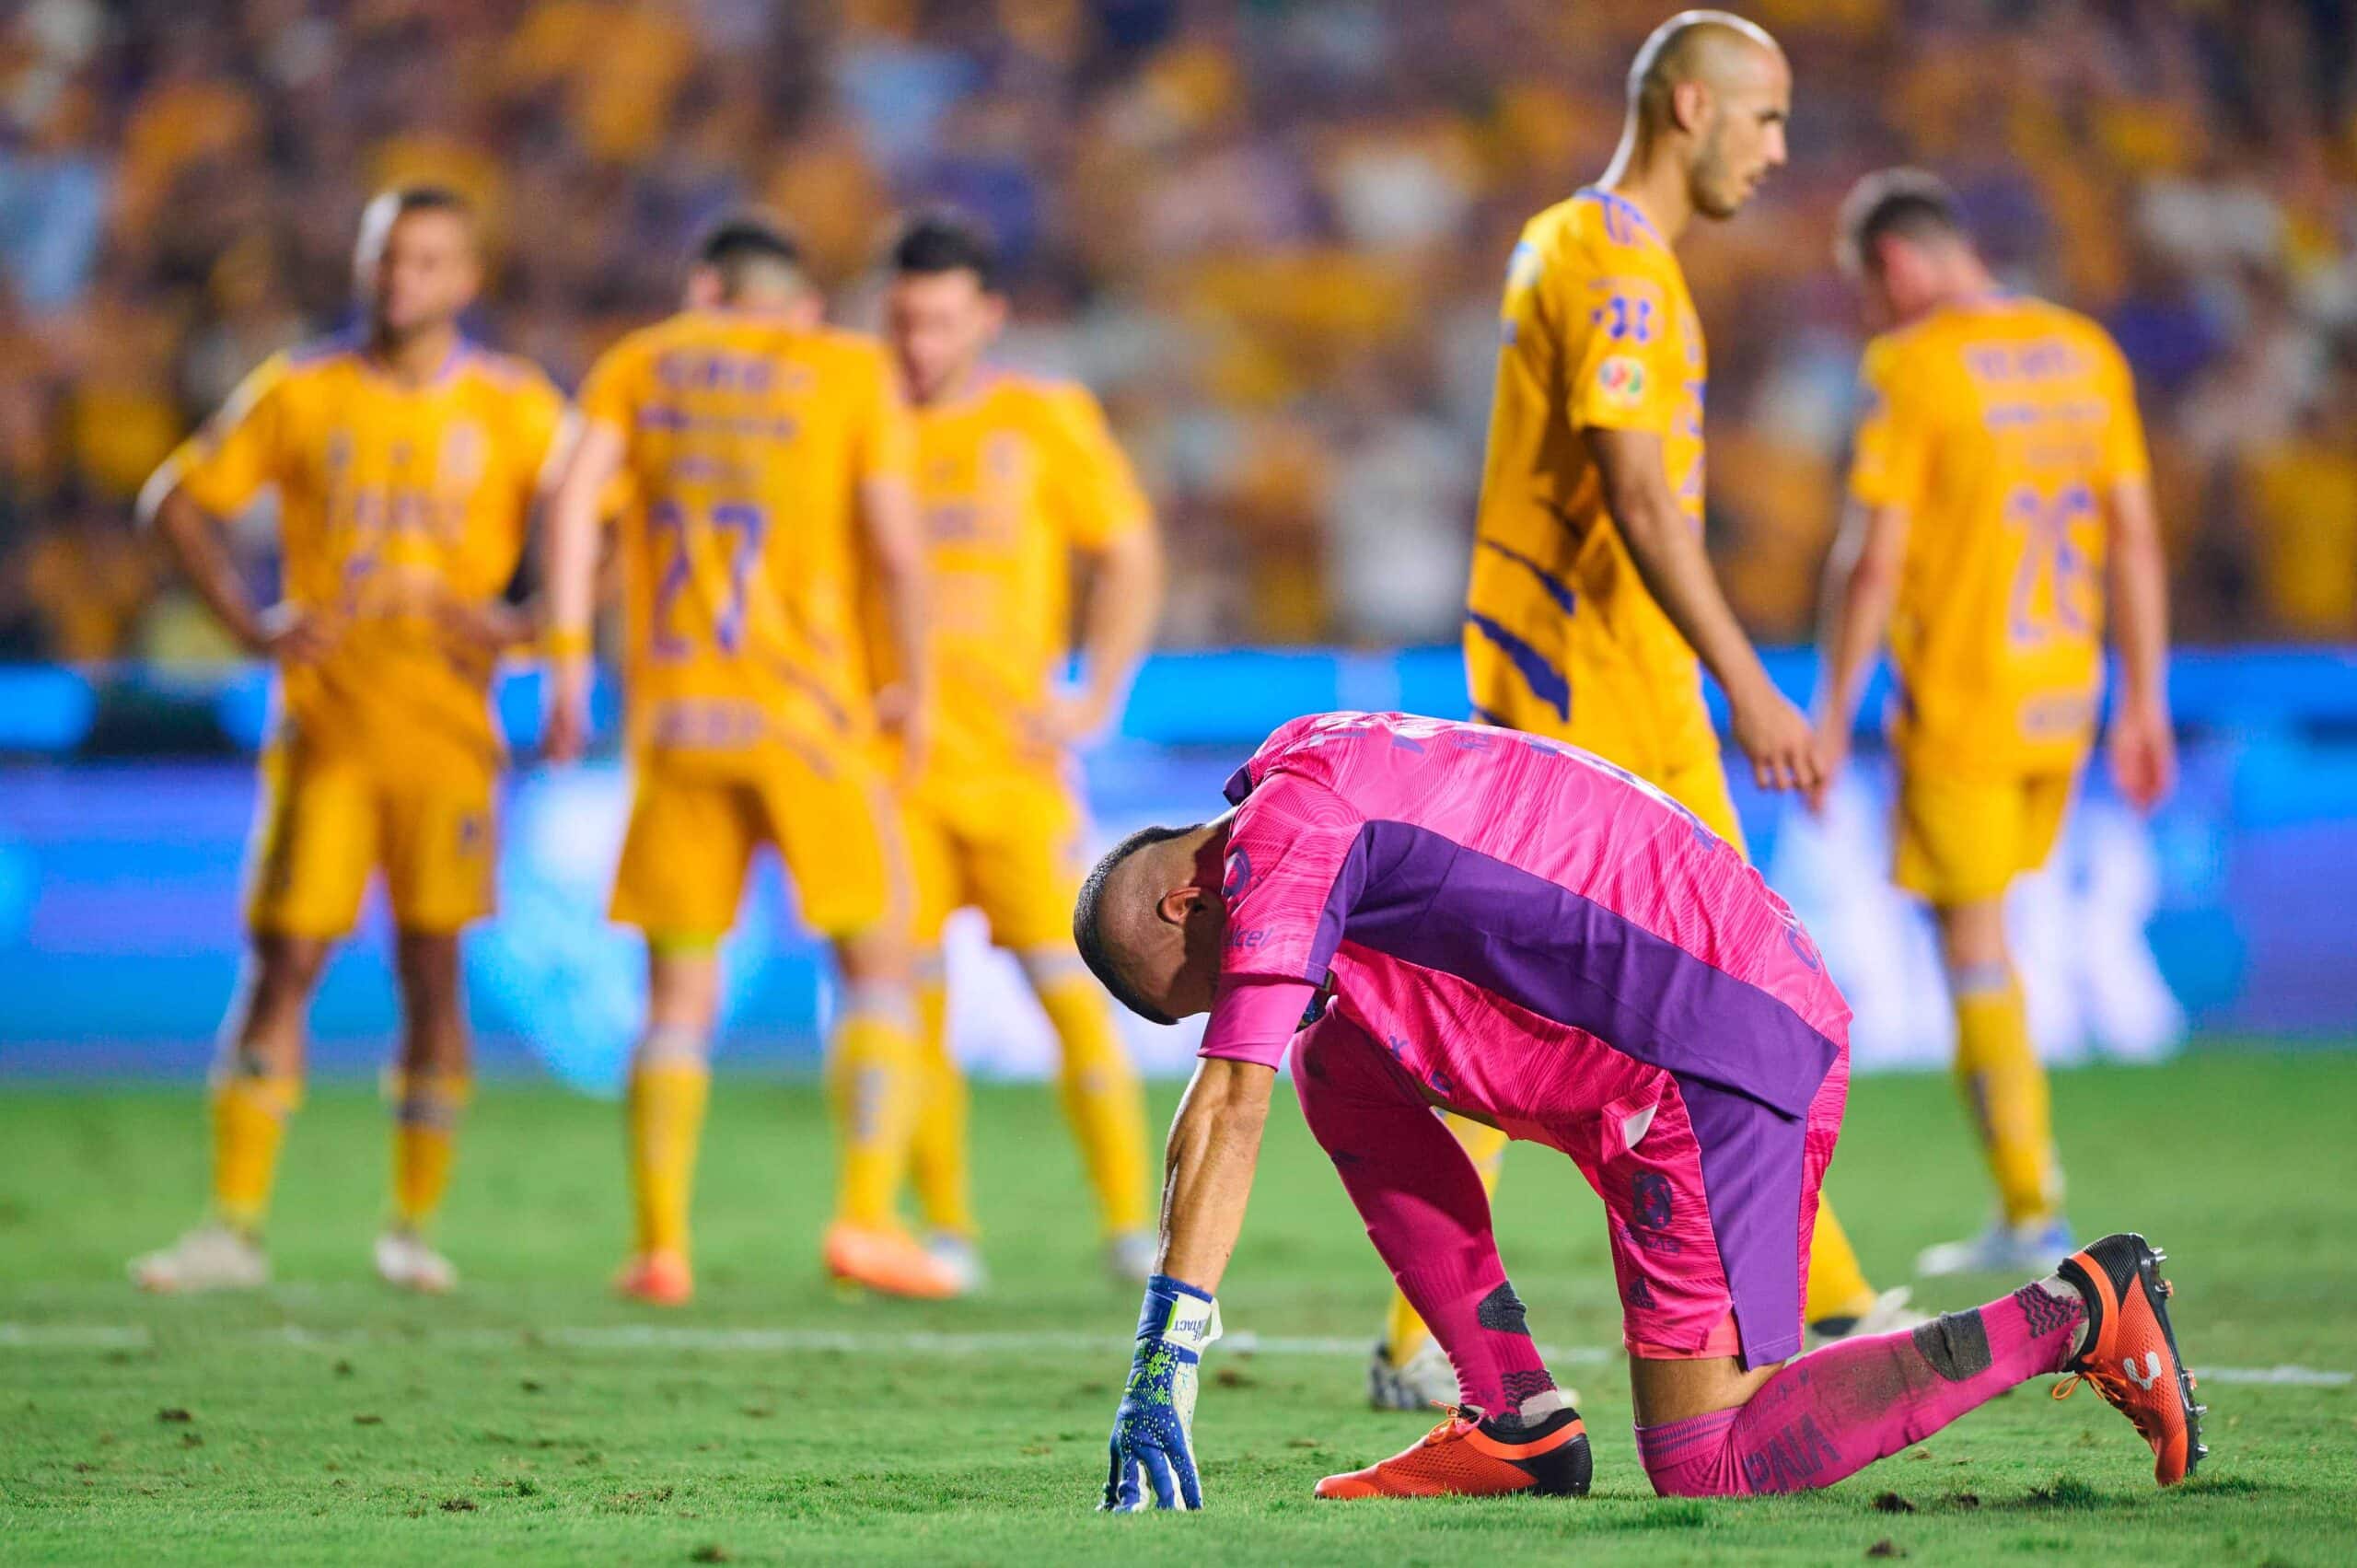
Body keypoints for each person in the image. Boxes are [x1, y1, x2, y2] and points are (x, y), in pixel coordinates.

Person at [1077, 711, 2203, 1509]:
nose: (1238, 1001)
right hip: (1654, 1019)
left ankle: (2078, 1307)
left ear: (1189, 898)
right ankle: (1515, 1416)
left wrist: (1160, 1360)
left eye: (1208, 985)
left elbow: (1230, 1096)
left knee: (1708, 1458)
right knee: (1332, 1053)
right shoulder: (1303, 776)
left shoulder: (1287, 838)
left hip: (1715, 1052)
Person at [1408, 6, 1898, 1406]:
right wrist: (1753, 680)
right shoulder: (1616, 266)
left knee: (1675, 981)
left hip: (1612, 665)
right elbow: (1631, 491)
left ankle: (1824, 1282)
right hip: (1595, 673)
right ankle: (1442, 1332)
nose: (1780, 149)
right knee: (1646, 985)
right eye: (1767, 117)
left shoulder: (1594, 249)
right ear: (1691, 108)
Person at [130, 186, 568, 1294]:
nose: (397, 280)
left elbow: (598, 519)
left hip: (447, 737)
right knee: (285, 963)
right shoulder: (302, 390)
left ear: (465, 280)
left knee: (434, 973)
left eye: (424, 261)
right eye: (384, 258)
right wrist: (251, 623)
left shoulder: (516, 406)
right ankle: (232, 1225)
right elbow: (173, 497)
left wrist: (532, 623)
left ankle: (410, 1229)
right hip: (325, 730)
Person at [541, 212, 955, 1302]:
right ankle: (866, 1215)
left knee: (677, 992)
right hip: (808, 724)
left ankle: (660, 1246)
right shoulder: (843, 369)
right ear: (802, 302)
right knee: (879, 963)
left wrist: (568, 658)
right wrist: (909, 682)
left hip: (678, 721)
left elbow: (572, 496)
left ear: (702, 289)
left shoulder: (641, 364)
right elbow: (901, 551)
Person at [1813, 169, 2177, 1275]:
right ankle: (2027, 1200)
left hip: (1966, 699)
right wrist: (2145, 697)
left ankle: (2030, 1206)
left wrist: (1828, 713)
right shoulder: (2083, 352)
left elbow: (1872, 557)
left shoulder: (1913, 365)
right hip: (2065, 700)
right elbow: (2135, 536)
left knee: (1973, 942)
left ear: (1894, 266)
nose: (1871, 319)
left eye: (1867, 295)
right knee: (1996, 934)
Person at [877, 213, 1167, 1291]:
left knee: (1070, 984)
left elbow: (1128, 550)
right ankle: (945, 1227)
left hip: (1011, 766)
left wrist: (1095, 692)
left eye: (940, 322)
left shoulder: (1042, 417)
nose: (918, 345)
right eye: (903, 321)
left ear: (986, 318)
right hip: (893, 771)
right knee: (909, 1003)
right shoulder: (858, 419)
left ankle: (1131, 1222)